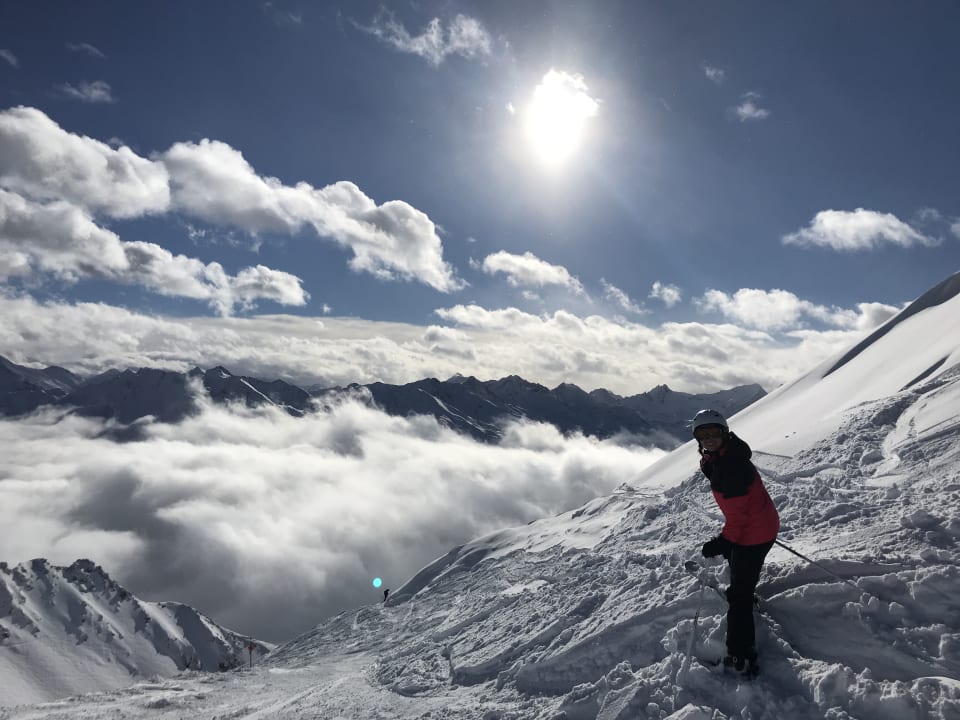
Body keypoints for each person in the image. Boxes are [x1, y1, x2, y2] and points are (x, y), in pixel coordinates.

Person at [693, 408, 779, 676]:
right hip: (758, 525)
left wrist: (720, 542)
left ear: (725, 434)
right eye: (702, 434)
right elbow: (741, 512)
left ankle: (741, 656)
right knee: (739, 568)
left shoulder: (731, 468)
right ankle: (745, 588)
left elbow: (738, 521)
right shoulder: (729, 454)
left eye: (713, 433)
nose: (708, 439)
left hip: (753, 534)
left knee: (738, 599)